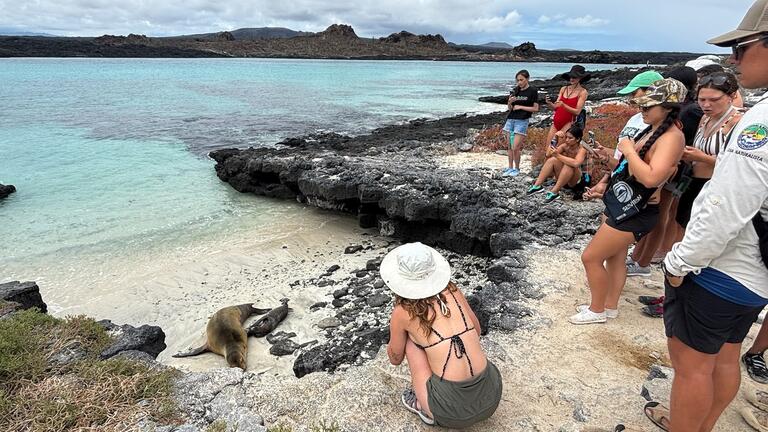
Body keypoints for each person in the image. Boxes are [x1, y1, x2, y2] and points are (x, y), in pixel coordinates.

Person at [648, 0, 768, 429]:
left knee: (692, 364)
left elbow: (728, 204)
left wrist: (680, 262)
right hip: (758, 273)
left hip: (725, 267)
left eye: (742, 46)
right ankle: (699, 424)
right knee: (726, 355)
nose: (733, 58)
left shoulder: (760, 122)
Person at [571, 78, 686, 325]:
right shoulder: (654, 130)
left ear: (667, 107)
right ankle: (608, 305)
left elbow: (651, 178)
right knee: (615, 257)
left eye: (647, 107)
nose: (641, 111)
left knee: (590, 257)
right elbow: (632, 170)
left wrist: (630, 150)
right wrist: (609, 158)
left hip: (636, 211)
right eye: (641, 106)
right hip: (626, 205)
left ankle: (596, 310)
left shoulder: (672, 137)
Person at [384, 242, 502, 428]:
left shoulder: (403, 311)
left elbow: (395, 358)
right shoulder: (453, 291)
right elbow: (476, 331)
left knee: (412, 343)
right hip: (491, 394)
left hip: (450, 412)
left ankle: (423, 405)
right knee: (441, 341)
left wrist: (409, 338)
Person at [585, 70, 664, 201]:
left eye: (634, 93)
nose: (630, 99)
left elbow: (643, 170)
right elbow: (622, 160)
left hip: (636, 194)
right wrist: (605, 154)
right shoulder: (635, 118)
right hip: (619, 184)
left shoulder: (657, 125)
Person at [526, 125, 588, 203]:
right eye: (566, 137)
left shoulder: (582, 150)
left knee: (569, 164)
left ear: (578, 139)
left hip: (575, 182)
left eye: (570, 138)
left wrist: (558, 155)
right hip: (563, 178)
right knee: (552, 160)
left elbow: (576, 163)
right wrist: (555, 138)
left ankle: (554, 192)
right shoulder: (565, 146)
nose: (567, 140)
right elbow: (548, 154)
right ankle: (537, 185)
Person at [543, 65, 589, 154]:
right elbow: (556, 107)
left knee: (557, 149)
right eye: (571, 77)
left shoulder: (583, 92)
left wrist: (563, 105)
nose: (572, 79)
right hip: (556, 122)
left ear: (580, 78)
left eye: (574, 77)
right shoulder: (563, 89)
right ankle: (547, 166)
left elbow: (577, 111)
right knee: (548, 149)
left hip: (568, 123)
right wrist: (549, 103)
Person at [502, 70, 540, 177]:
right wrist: (510, 102)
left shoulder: (532, 91)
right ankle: (510, 167)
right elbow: (510, 108)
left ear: (527, 79)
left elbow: (536, 108)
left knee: (515, 147)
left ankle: (517, 168)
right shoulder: (516, 90)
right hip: (511, 119)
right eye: (518, 80)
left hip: (522, 120)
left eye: (521, 80)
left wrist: (521, 107)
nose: (519, 82)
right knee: (509, 146)